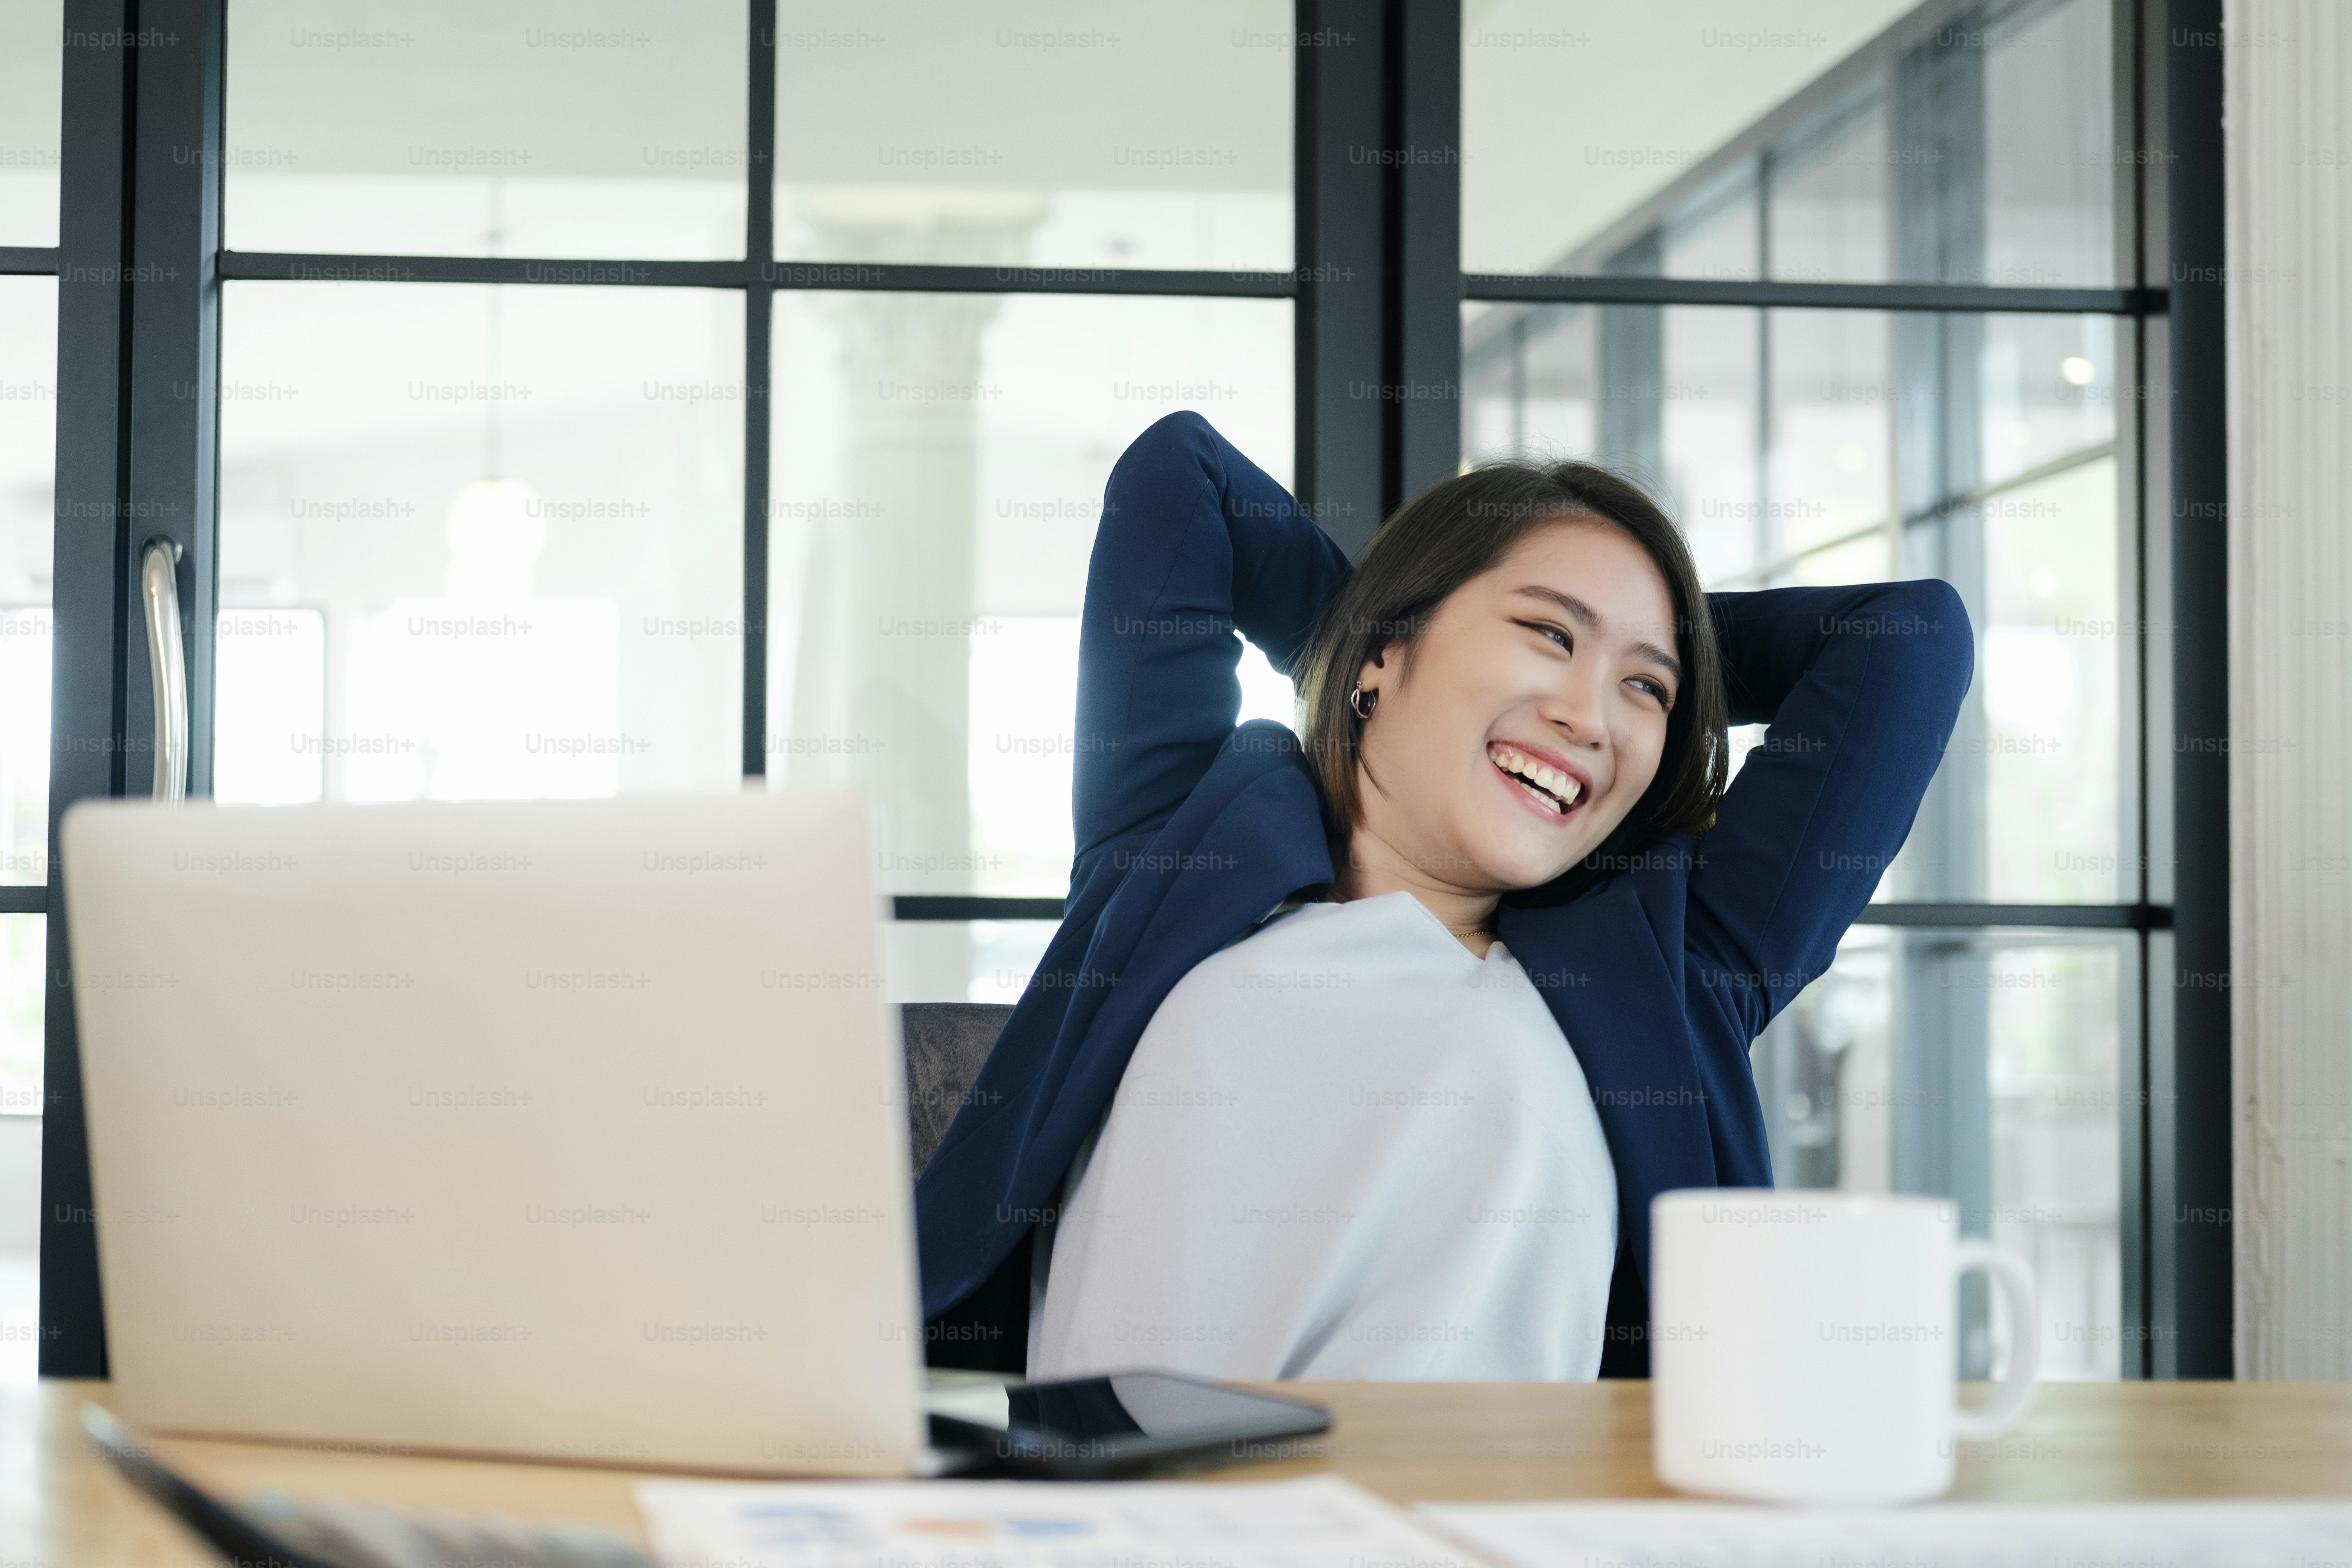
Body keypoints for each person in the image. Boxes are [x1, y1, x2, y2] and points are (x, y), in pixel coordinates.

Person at [914, 411, 1971, 1379]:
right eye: (1550, 634)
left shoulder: (1674, 963)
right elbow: (1181, 475)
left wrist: (1630, 648)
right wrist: (1378, 637)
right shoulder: (1178, 848)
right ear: (1384, 650)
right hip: (1121, 1496)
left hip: (1489, 1503)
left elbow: (1909, 636)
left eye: (1646, 688)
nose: (1590, 716)